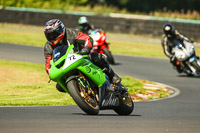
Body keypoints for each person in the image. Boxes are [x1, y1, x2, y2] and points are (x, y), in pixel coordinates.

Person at [44, 19, 121, 92]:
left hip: (81, 57)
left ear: (61, 30)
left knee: (97, 57)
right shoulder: (48, 46)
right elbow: (48, 64)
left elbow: (87, 38)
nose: (51, 37)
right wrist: (51, 72)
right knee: (59, 87)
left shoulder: (71, 33)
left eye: (53, 34)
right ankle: (81, 92)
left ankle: (113, 76)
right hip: (65, 65)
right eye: (49, 35)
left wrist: (86, 49)